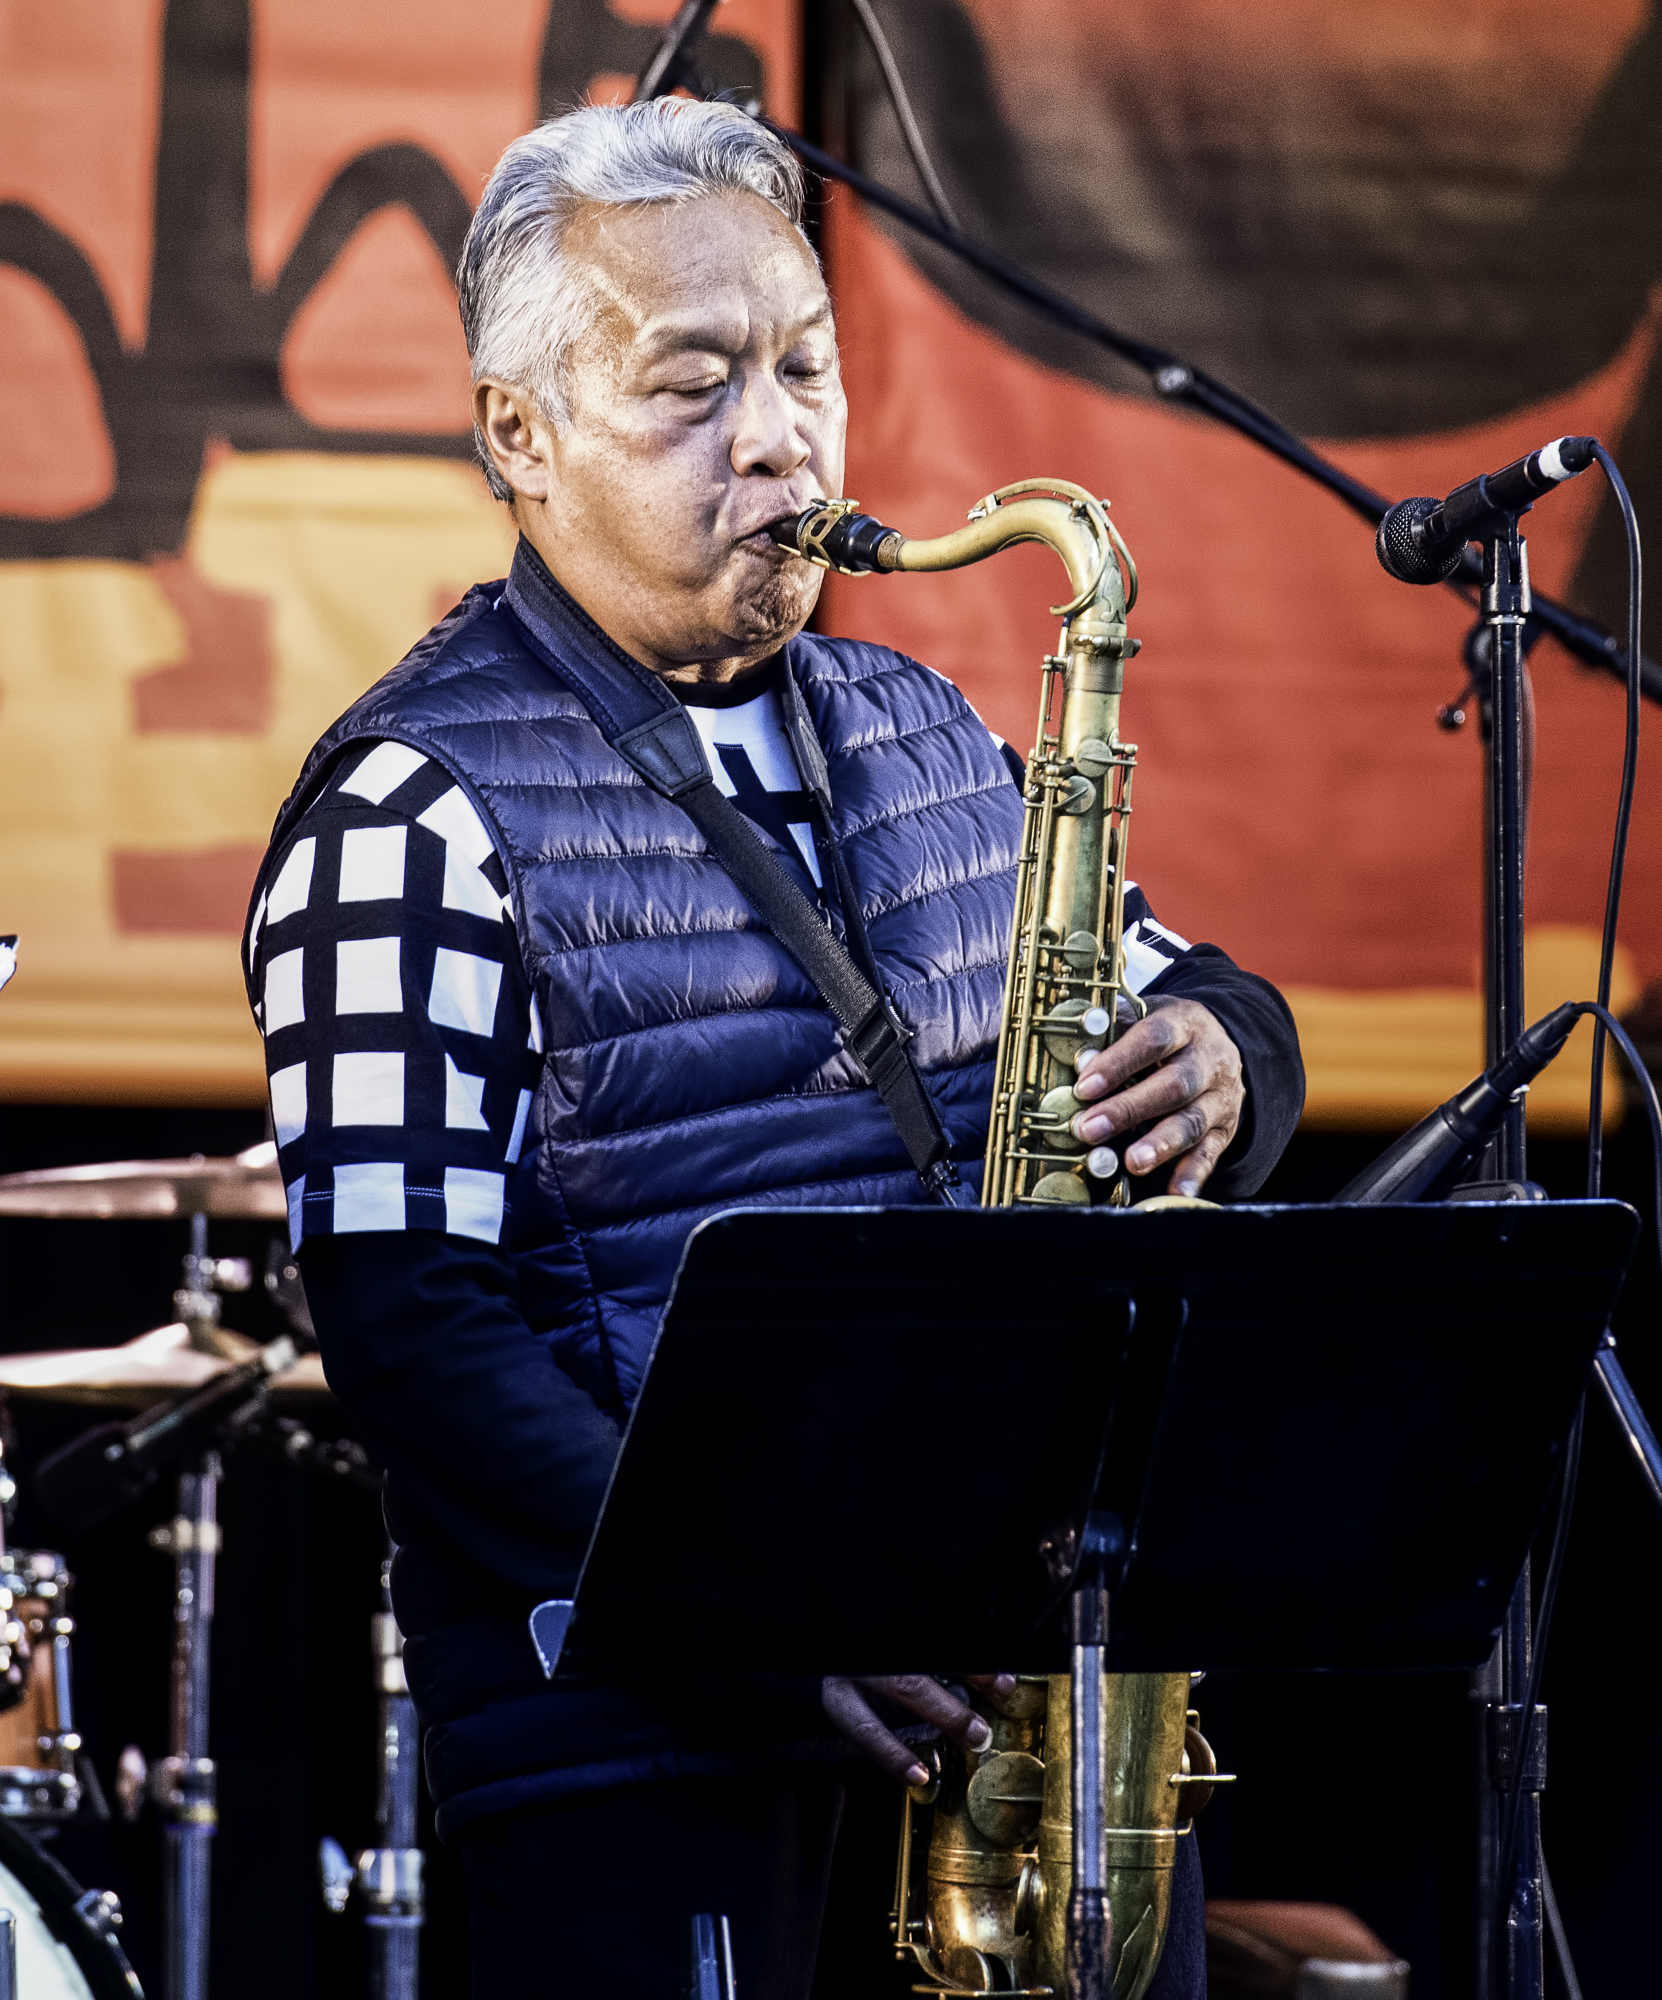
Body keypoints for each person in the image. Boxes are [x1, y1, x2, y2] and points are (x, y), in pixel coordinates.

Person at [243, 99, 1304, 1998]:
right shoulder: (407, 801)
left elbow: (1184, 990)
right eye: (690, 384)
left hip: (1005, 1712)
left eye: (805, 365)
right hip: (644, 1758)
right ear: (518, 434)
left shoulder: (926, 726)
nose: (777, 435)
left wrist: (1228, 1051)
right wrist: (752, 1601)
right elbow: (407, 1322)